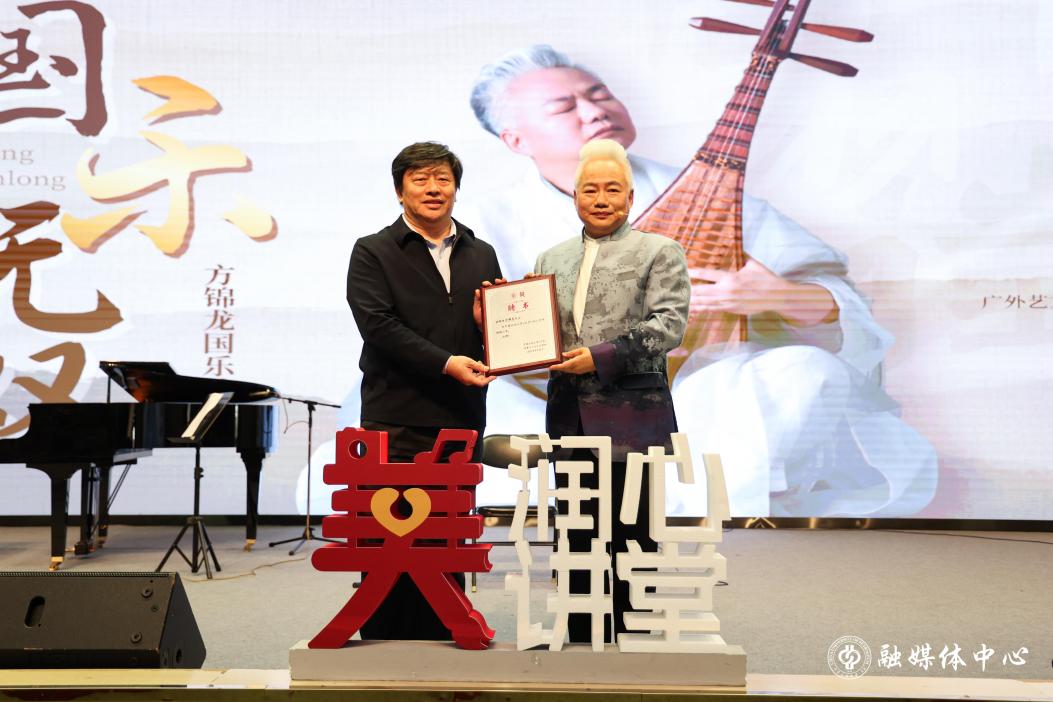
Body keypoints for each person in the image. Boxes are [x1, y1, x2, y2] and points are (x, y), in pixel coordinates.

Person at [465, 45, 938, 517]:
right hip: (558, 412)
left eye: (600, 94)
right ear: (516, 140)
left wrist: (777, 296)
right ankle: (652, 498)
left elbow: (844, 307)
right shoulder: (485, 223)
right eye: (564, 107)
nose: (594, 111)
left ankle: (671, 503)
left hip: (707, 400)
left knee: (809, 372)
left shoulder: (716, 193)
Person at [534, 138, 690, 642]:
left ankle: (632, 627)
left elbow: (668, 325)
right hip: (568, 415)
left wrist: (599, 357)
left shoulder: (659, 251)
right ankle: (580, 627)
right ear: (574, 195)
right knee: (576, 525)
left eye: (612, 190)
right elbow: (539, 333)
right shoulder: (551, 257)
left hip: (633, 415)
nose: (601, 199)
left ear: (630, 197)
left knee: (631, 526)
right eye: (590, 190)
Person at [346, 141, 502, 640]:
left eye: (443, 179)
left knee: (447, 532)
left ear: (456, 188)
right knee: (389, 529)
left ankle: (444, 629)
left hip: (460, 417)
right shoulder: (373, 251)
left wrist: (488, 330)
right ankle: (385, 633)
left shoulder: (481, 252)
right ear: (400, 191)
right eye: (420, 179)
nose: (433, 189)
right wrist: (446, 363)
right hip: (396, 417)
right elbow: (378, 326)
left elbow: (496, 331)